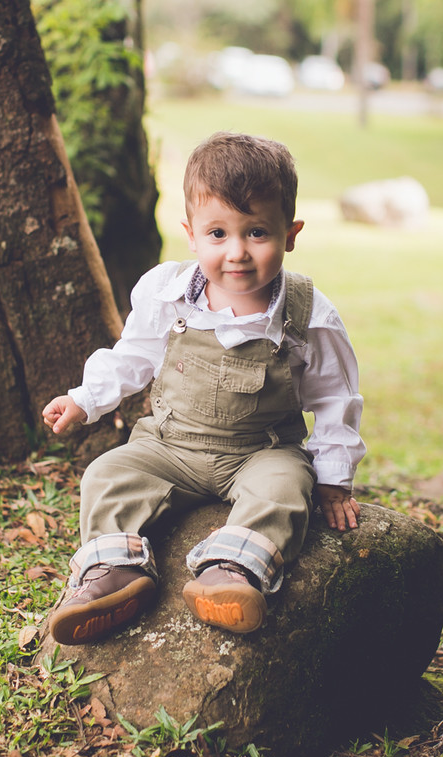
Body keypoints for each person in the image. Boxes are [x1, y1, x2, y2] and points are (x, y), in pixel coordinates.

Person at [41, 131, 365, 645]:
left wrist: (333, 476)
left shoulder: (307, 312)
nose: (236, 252)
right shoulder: (167, 294)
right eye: (218, 234)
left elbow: (334, 397)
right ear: (191, 234)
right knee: (107, 474)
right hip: (168, 446)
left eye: (257, 232)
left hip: (260, 451)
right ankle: (116, 573)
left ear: (292, 232)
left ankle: (231, 574)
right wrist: (84, 399)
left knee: (284, 491)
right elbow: (135, 355)